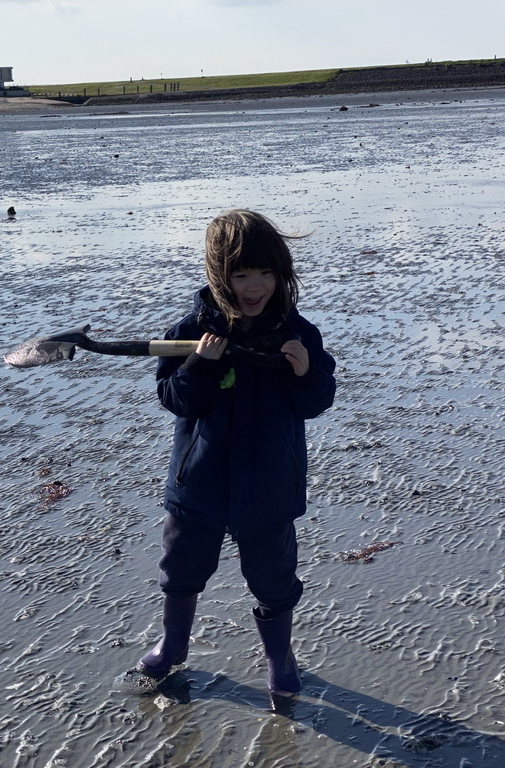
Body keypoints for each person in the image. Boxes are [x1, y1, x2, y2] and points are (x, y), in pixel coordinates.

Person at [135, 209, 336, 696]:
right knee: (181, 567)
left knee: (273, 576)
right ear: (218, 275)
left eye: (265, 273)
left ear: (281, 274)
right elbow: (175, 400)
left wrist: (307, 371)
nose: (254, 286)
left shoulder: (297, 332)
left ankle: (279, 655)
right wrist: (199, 366)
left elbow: (317, 403)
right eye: (241, 274)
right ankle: (173, 643)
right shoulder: (193, 328)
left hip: (268, 483)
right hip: (198, 482)